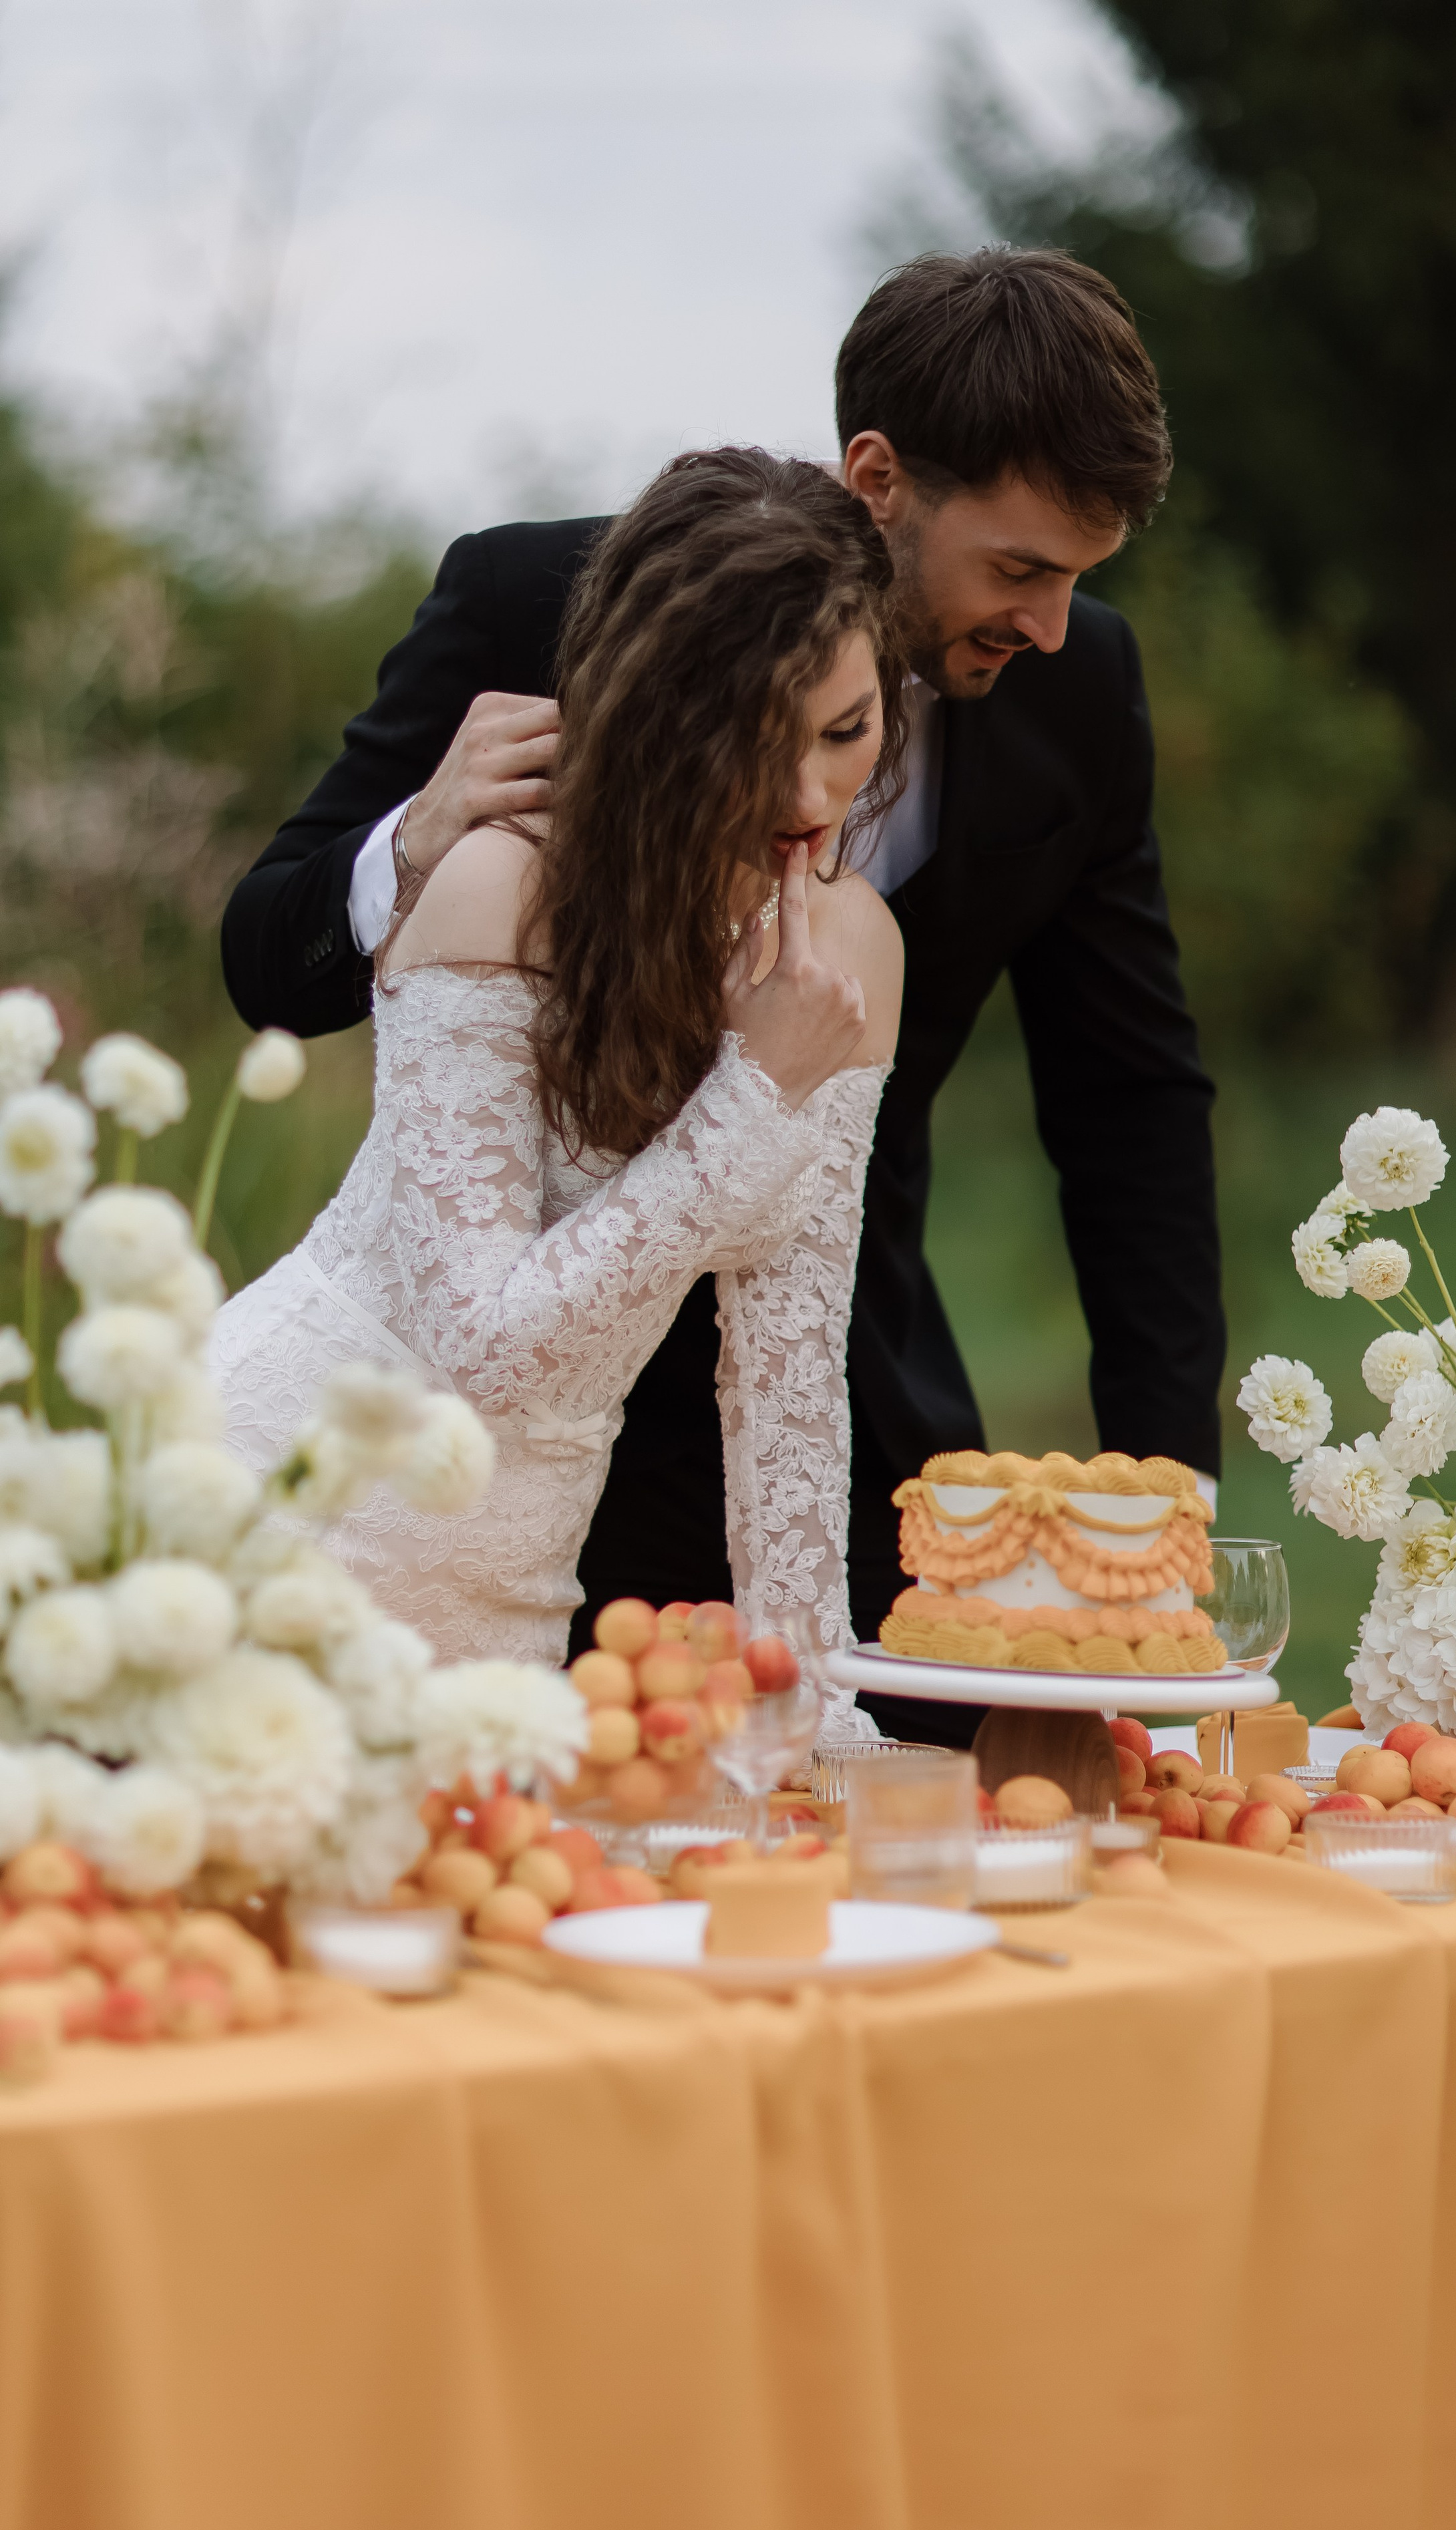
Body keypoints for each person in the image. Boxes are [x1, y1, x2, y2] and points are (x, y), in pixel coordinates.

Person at [220, 246, 1226, 1747]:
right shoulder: (530, 604)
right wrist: (415, 847)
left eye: (1080, 577)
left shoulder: (1076, 693)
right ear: (877, 477)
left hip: (821, 1412)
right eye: (1018, 569)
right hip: (440, 1448)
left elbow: (1125, 1095)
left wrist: (1162, 1512)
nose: (1052, 625)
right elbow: (263, 966)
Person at [209, 452, 905, 1701]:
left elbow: (790, 1388)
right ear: (663, 727)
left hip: (512, 1595)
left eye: (847, 731)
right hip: (268, 1515)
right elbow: (476, 1356)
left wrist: (816, 1711)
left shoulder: (847, 951)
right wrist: (751, 1095)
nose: (811, 798)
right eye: (759, 746)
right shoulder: (501, 886)